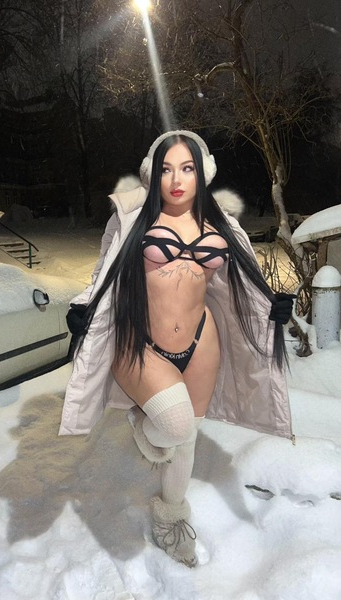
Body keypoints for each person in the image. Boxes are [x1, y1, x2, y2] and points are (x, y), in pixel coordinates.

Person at [59, 130, 294, 568]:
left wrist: (273, 308)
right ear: (153, 174)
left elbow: (247, 285)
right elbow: (102, 274)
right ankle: (144, 421)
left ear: (202, 173)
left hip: (202, 341)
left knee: (186, 439)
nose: (177, 179)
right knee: (174, 424)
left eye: (187, 168)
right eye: (167, 169)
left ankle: (170, 517)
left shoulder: (223, 225)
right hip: (140, 341)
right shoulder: (132, 218)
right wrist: (83, 307)